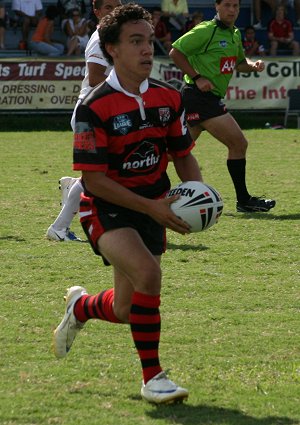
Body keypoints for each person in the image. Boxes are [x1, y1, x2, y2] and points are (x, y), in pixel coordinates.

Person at [53, 2, 202, 404]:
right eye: (135, 41)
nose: (146, 49)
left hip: (154, 204)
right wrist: (152, 207)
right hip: (106, 206)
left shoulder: (168, 98)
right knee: (148, 275)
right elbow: (94, 180)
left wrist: (200, 194)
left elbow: (183, 153)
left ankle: (81, 308)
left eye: (149, 40)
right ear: (112, 49)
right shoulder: (94, 107)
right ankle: (154, 379)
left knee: (124, 308)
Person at [169, 0, 276, 213]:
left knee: (176, 152)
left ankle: (135, 183)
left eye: (236, 6)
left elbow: (239, 64)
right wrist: (197, 77)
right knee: (238, 143)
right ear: (216, 7)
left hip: (205, 98)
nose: (232, 10)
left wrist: (253, 66)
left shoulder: (235, 33)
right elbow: (175, 52)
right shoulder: (206, 30)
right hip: (199, 97)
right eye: (227, 5)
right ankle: (244, 200)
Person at [46, 0, 121, 242]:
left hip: (101, 111)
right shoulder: (101, 39)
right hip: (92, 113)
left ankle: (73, 194)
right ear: (97, 12)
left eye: (118, 6)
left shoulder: (115, 35)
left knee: (106, 171)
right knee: (97, 175)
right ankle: (59, 227)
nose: (114, 11)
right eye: (108, 7)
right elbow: (96, 78)